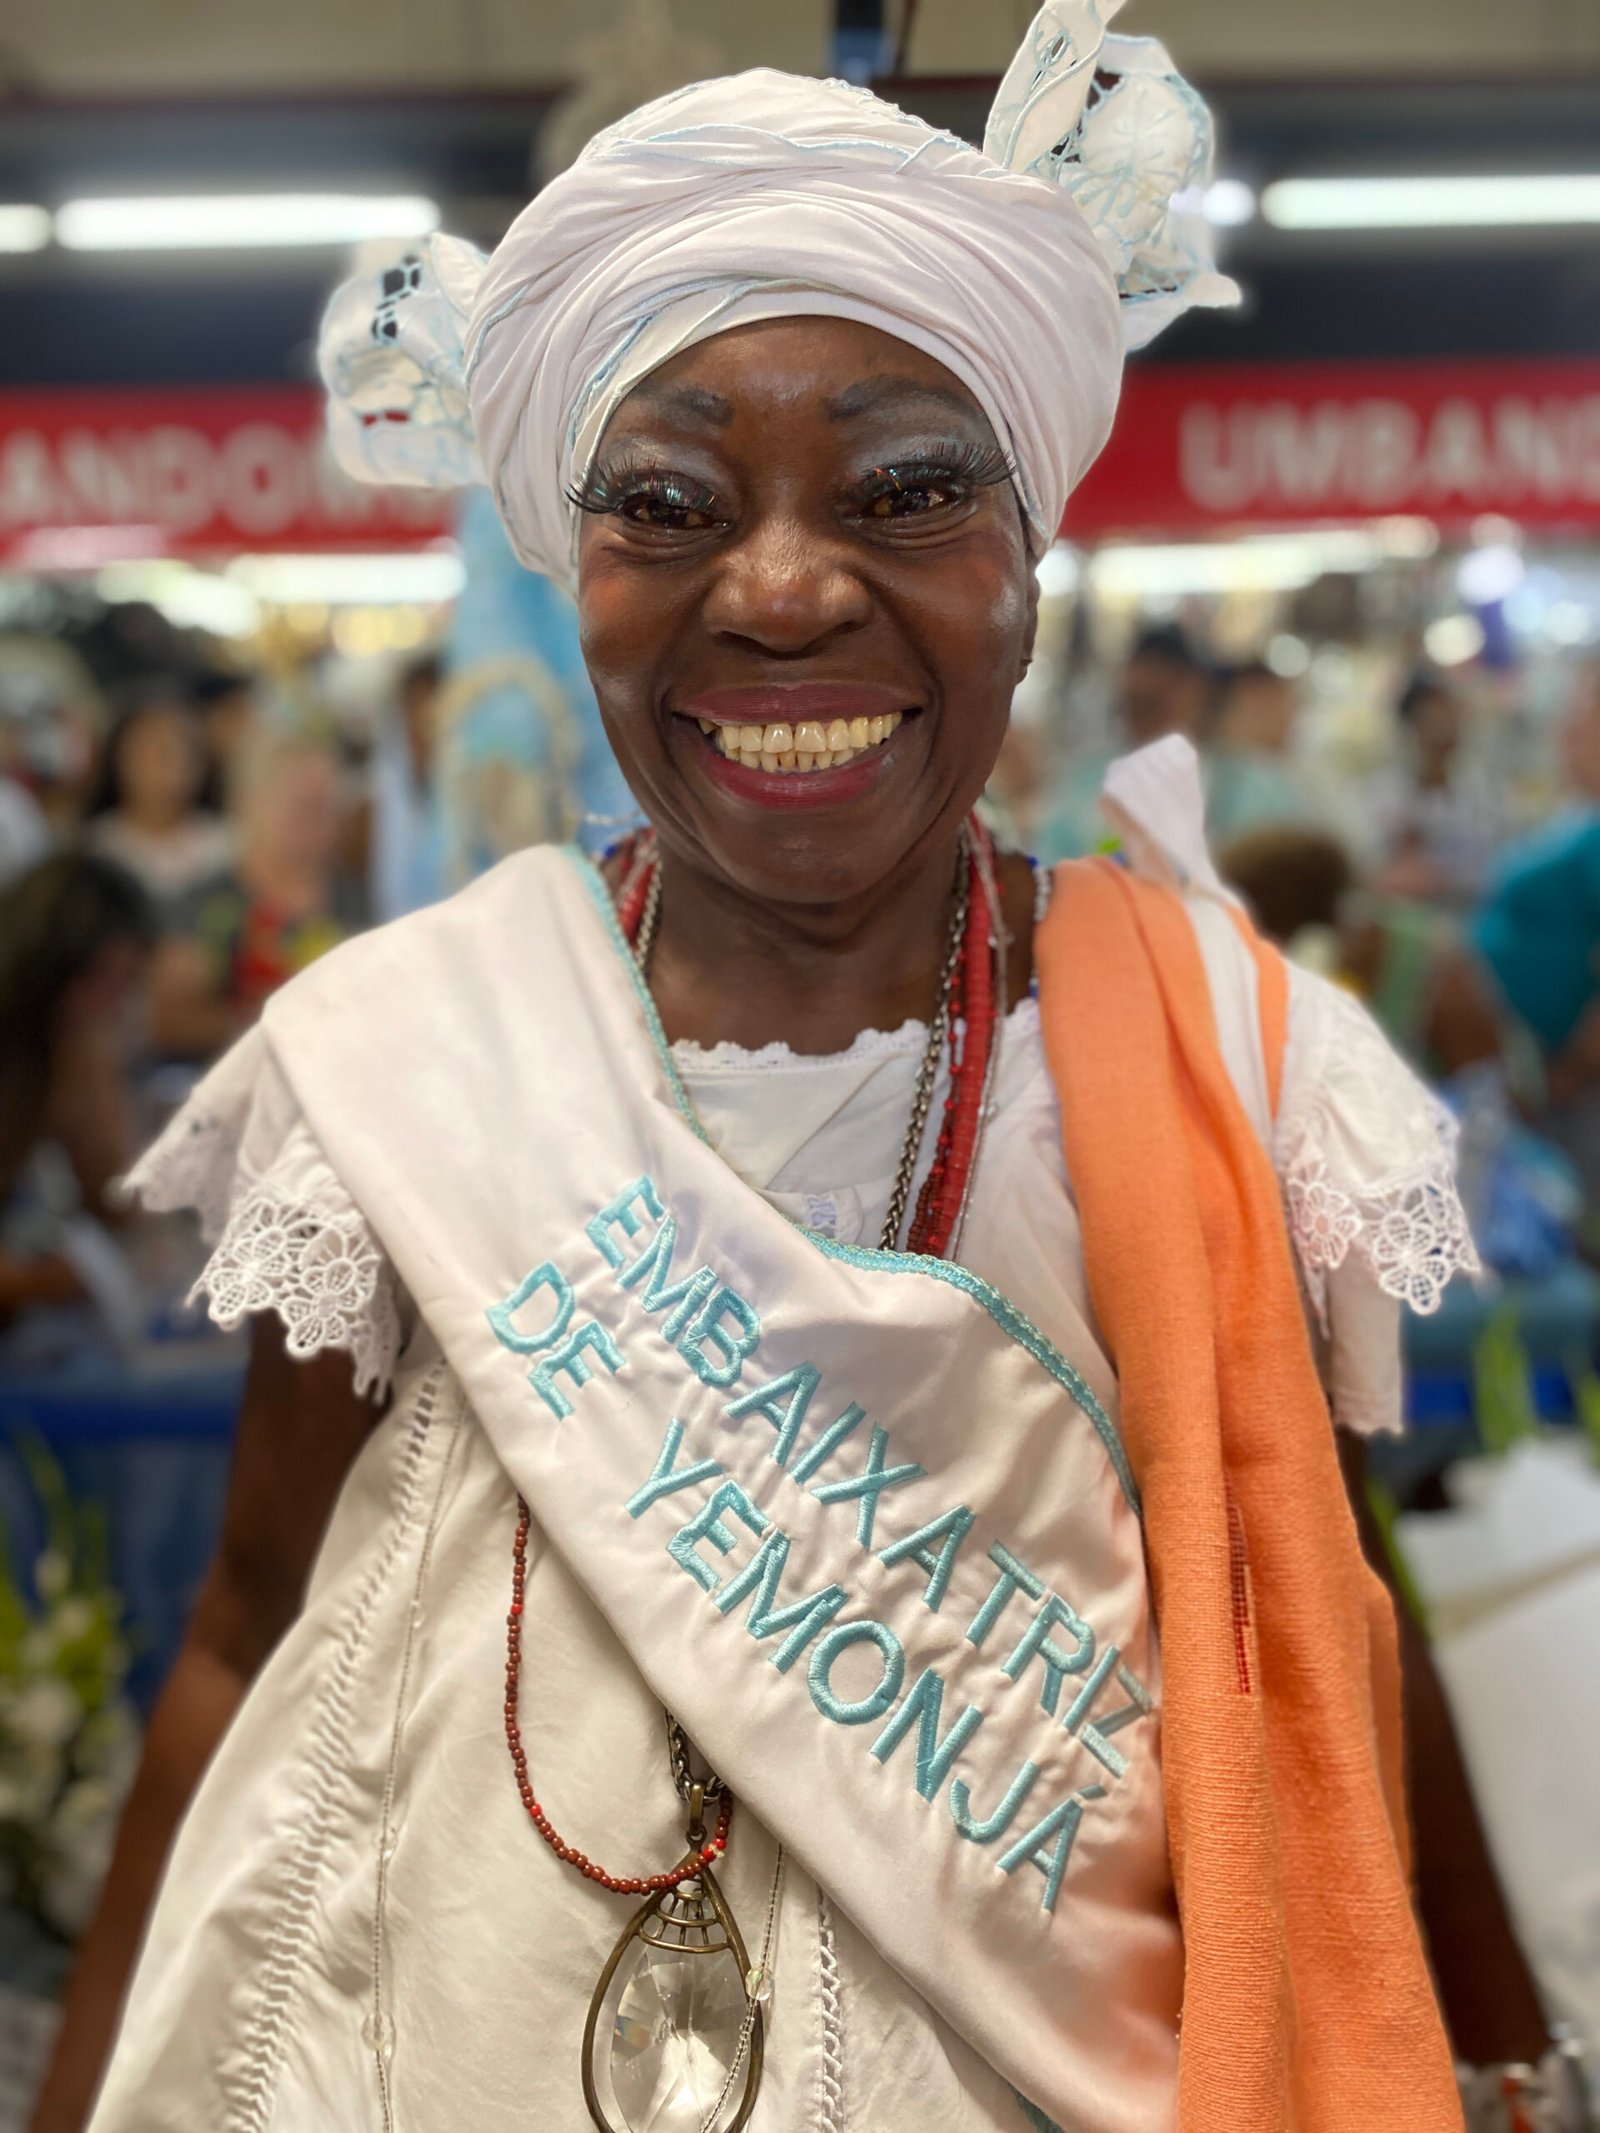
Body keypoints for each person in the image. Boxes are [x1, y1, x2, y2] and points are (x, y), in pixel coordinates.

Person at [37, 15, 1573, 2133]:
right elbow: (241, 1630)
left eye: (907, 490)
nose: (775, 585)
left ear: (1027, 560)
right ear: (574, 573)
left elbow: (1315, 1617)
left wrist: (1496, 2060)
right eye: (667, 504)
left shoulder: (1223, 1060)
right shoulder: (412, 1056)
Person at [0, 854, 156, 1338]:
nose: (110, 1004)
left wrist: (96, 1074)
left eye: (126, 983)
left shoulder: (68, 1047)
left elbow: (118, 1204)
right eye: (101, 979)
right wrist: (38, 1282)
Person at [1472, 661, 1600, 1219]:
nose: (1567, 731)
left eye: (1584, 717)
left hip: (1576, 1088)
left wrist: (1573, 1070)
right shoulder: (1580, 816)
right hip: (1540, 1075)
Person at [151, 729, 365, 1061]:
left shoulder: (358, 899)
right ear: (250, 804)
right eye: (303, 806)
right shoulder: (204, 905)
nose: (320, 820)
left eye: (329, 805)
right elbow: (169, 1022)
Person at [1035, 624, 1213, 860]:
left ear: (1194, 692)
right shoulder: (1083, 781)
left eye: (1155, 703)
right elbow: (1050, 863)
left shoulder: (1238, 783)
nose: (1145, 719)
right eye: (1135, 704)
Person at [83, 680, 234, 912]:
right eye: (159, 750)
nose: (177, 763)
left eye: (187, 749)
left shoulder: (228, 847)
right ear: (120, 755)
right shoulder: (95, 848)